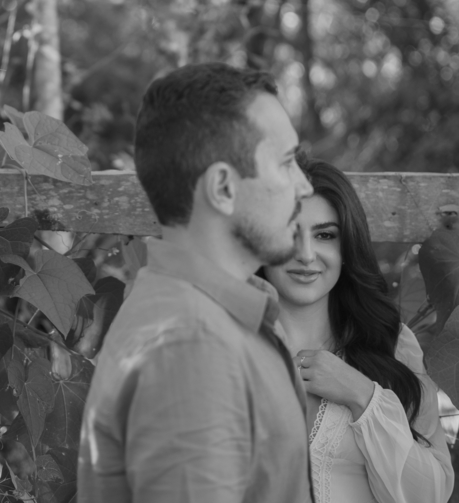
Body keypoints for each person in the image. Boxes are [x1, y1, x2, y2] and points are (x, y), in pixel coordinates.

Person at [78, 62, 316, 503]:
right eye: (287, 164)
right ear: (223, 188)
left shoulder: (210, 319)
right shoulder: (190, 346)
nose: (304, 187)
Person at [263, 155, 455, 503]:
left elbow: (430, 496)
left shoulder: (392, 345)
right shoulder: (223, 343)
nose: (306, 254)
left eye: (324, 235)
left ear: (346, 247)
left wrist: (363, 396)